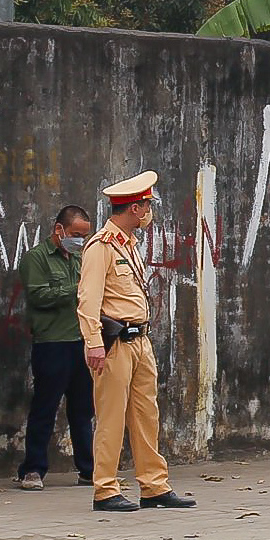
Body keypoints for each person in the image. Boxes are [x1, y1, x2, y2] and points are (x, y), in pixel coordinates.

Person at [77, 172, 195, 513]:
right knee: (111, 417)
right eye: (146, 206)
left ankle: (154, 485)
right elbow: (88, 300)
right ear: (134, 209)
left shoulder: (128, 245)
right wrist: (94, 343)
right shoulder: (101, 247)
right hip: (114, 343)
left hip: (140, 340)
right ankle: (105, 489)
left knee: (147, 415)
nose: (149, 212)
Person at [15, 205, 95, 491]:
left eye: (83, 236)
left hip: (80, 342)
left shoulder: (78, 258)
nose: (79, 241)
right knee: (45, 407)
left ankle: (88, 469)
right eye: (75, 234)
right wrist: (77, 289)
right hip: (52, 343)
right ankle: (33, 470)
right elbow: (39, 296)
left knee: (83, 410)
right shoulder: (36, 259)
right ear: (58, 229)